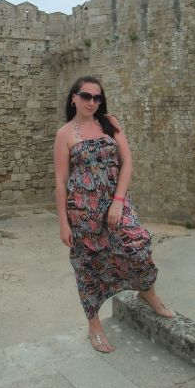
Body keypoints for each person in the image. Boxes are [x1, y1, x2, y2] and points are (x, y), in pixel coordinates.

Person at [54, 75, 174, 353]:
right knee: (88, 266)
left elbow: (127, 162)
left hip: (116, 202)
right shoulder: (65, 134)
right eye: (86, 96)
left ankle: (148, 292)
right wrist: (63, 223)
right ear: (73, 98)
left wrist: (118, 201)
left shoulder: (110, 123)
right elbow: (60, 182)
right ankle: (94, 325)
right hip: (83, 211)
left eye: (97, 97)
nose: (92, 102)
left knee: (138, 246)